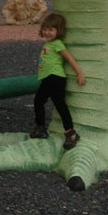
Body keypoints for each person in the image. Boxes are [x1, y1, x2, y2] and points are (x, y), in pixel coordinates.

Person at [31, 12, 86, 149]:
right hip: (50, 78)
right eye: (45, 29)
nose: (47, 32)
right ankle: (68, 133)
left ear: (58, 31)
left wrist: (79, 73)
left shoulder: (57, 44)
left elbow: (69, 58)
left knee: (41, 101)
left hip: (55, 78)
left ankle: (42, 128)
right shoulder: (48, 44)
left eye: (51, 29)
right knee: (57, 105)